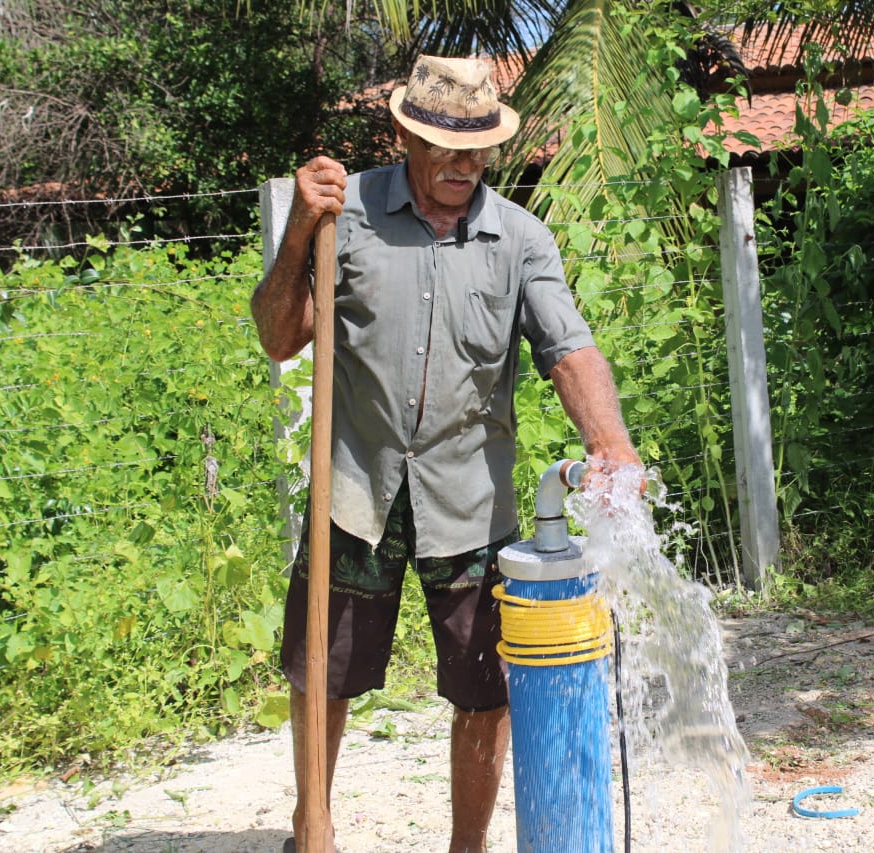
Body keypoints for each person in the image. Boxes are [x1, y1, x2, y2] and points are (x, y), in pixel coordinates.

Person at [250, 54, 641, 853]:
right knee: (322, 672)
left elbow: (568, 348)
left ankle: (469, 845)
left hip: (471, 500)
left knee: (484, 689)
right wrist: (298, 228)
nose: (464, 166)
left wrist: (610, 443)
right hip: (356, 492)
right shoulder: (343, 214)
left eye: (478, 149)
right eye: (445, 147)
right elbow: (279, 335)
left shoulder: (519, 237)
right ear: (405, 135)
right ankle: (310, 828)